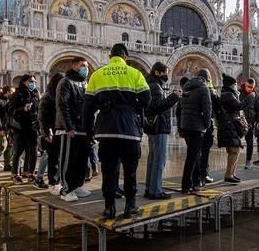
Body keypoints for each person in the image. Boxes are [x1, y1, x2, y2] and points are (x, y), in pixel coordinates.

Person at [83, 43, 151, 219]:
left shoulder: (97, 74)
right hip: (130, 130)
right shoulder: (135, 73)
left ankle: (109, 208)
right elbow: (147, 99)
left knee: (108, 170)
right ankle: (130, 207)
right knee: (130, 171)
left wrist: (88, 131)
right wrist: (131, 107)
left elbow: (88, 107)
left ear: (110, 56)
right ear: (125, 57)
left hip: (106, 130)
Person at [55, 57, 91, 201]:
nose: (85, 68)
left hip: (82, 127)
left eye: (86, 66)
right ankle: (66, 189)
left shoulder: (85, 83)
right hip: (69, 128)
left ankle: (77, 185)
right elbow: (62, 106)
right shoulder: (65, 82)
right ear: (75, 66)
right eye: (82, 65)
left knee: (81, 159)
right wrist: (68, 127)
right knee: (68, 159)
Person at [144, 62, 181, 199]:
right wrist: (174, 97)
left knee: (153, 159)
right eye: (165, 72)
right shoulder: (155, 86)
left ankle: (150, 188)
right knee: (159, 160)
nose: (167, 74)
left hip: (154, 126)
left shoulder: (152, 84)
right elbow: (157, 106)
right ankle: (156, 190)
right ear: (157, 72)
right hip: (159, 127)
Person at [178, 69, 213, 194]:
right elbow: (207, 109)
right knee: (192, 156)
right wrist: (206, 125)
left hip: (185, 125)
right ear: (206, 79)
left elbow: (180, 107)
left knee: (194, 154)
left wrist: (180, 126)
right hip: (197, 127)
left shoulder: (186, 87)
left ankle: (195, 182)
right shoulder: (204, 89)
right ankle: (186, 185)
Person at [217, 73, 255, 182]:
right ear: (230, 85)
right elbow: (240, 106)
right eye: (235, 84)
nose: (236, 85)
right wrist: (250, 97)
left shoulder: (227, 94)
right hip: (229, 125)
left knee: (234, 150)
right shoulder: (228, 95)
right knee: (234, 150)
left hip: (229, 125)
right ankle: (229, 175)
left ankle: (231, 174)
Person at [7, 74, 40, 184]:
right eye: (31, 81)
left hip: (33, 126)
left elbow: (39, 109)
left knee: (33, 150)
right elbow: (10, 110)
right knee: (19, 151)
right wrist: (22, 109)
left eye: (34, 81)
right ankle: (15, 174)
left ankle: (30, 172)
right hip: (19, 127)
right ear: (24, 82)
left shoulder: (35, 93)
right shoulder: (17, 94)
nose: (33, 83)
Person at [37, 73, 64, 193]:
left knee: (59, 157)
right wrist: (46, 133)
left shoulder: (60, 95)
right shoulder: (48, 97)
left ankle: (58, 181)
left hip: (59, 130)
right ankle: (53, 183)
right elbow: (42, 117)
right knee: (53, 157)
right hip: (51, 131)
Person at [239, 78, 259, 169]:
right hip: (239, 121)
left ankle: (248, 161)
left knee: (250, 143)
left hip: (250, 122)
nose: (250, 89)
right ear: (245, 85)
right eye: (248, 87)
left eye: (252, 87)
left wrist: (258, 121)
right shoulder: (239, 93)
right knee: (236, 142)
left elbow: (258, 109)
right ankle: (233, 162)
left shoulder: (255, 95)